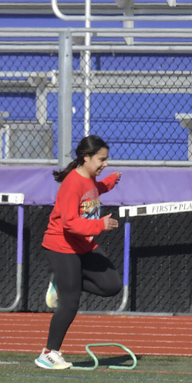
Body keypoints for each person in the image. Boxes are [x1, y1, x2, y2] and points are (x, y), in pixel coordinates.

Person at [36, 135, 122, 369]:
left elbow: (94, 192)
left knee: (112, 285)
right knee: (70, 302)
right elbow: (69, 223)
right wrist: (100, 225)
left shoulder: (90, 179)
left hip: (84, 245)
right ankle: (48, 353)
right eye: (101, 160)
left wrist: (110, 182)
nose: (105, 164)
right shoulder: (72, 184)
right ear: (86, 158)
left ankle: (62, 283)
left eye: (106, 160)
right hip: (61, 246)